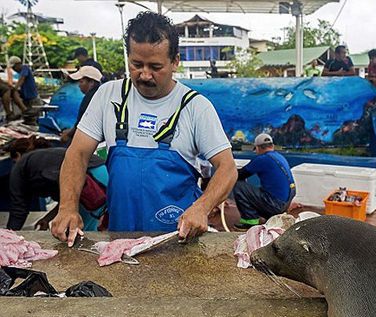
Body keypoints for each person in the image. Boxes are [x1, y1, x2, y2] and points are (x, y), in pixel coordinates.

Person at [51, 11, 237, 246]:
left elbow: (227, 167)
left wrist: (201, 207)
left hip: (177, 238)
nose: (145, 75)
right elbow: (77, 154)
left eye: (156, 66)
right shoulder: (108, 95)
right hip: (120, 237)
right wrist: (68, 207)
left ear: (175, 62)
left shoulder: (195, 106)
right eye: (137, 65)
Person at [6, 137, 108, 231]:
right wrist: (48, 218)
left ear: (18, 155)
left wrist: (8, 237)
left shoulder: (20, 166)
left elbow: (18, 210)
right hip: (104, 172)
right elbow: (66, 200)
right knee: (95, 228)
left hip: (89, 180)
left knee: (80, 233)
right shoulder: (43, 159)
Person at [232, 133, 296, 231]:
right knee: (260, 190)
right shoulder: (279, 157)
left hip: (276, 205)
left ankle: (249, 221)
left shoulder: (262, 159)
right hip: (285, 203)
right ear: (272, 146)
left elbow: (240, 175)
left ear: (257, 148)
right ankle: (268, 215)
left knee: (239, 185)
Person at [61, 66, 103, 143]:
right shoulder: (100, 93)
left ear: (91, 83)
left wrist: (68, 134)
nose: (79, 85)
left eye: (81, 82)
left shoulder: (90, 97)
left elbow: (81, 125)